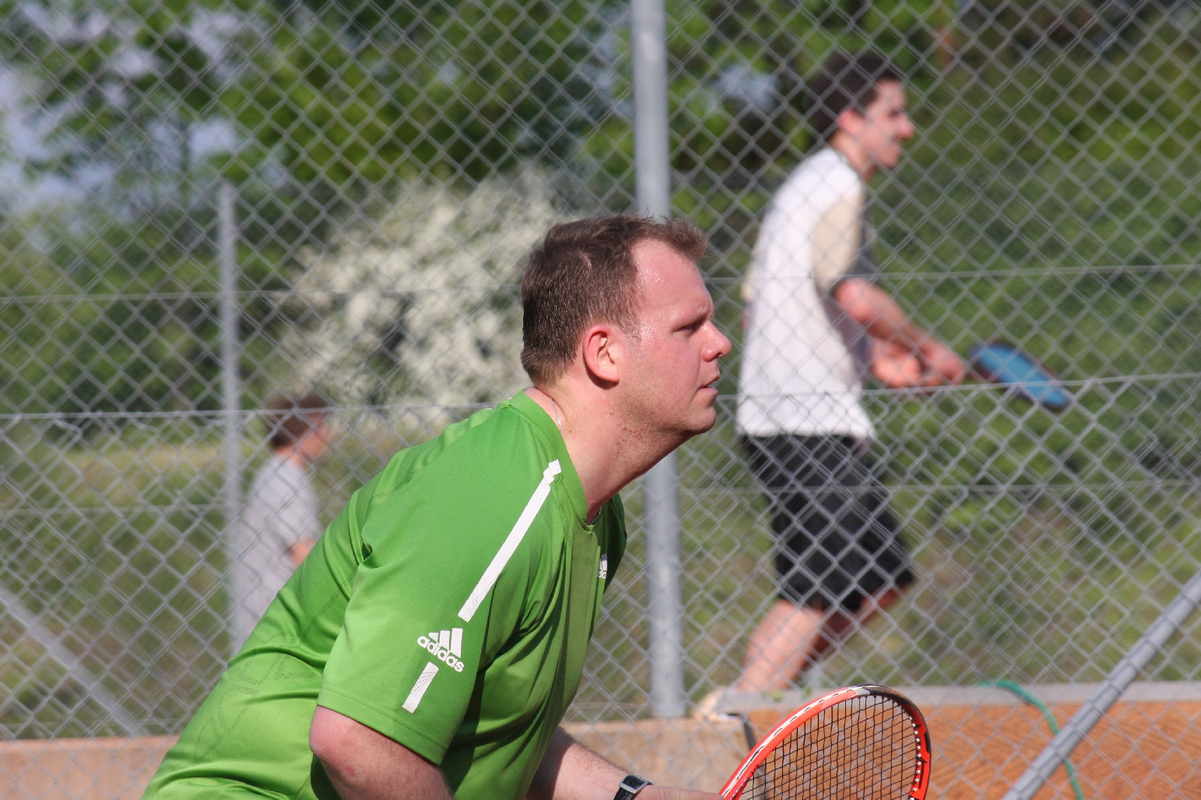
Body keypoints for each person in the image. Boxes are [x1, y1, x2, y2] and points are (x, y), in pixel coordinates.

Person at [143, 215, 730, 800]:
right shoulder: (492, 494)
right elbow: (359, 743)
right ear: (604, 353)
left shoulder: (591, 511)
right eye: (689, 326)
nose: (719, 342)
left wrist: (639, 797)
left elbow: (499, 728)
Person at [732, 52, 966, 695]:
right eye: (893, 113)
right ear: (849, 117)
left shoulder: (801, 188)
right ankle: (735, 717)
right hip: (806, 425)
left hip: (800, 419)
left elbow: (762, 310)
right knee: (816, 588)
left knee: (882, 579)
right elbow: (857, 297)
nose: (907, 127)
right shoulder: (837, 186)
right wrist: (928, 346)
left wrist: (874, 359)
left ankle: (765, 693)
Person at [230, 392, 331, 649]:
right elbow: (302, 551)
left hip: (268, 613)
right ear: (301, 430)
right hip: (277, 617)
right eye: (320, 426)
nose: (327, 436)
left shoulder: (276, 472)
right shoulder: (285, 478)